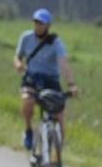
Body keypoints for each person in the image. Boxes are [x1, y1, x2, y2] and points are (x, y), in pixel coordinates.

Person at [14, 8, 79, 151]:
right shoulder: (26, 37)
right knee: (27, 100)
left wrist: (71, 84)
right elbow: (17, 56)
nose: (38, 26)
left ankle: (57, 157)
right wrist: (18, 64)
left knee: (59, 116)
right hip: (32, 78)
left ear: (48, 26)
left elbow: (63, 63)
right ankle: (28, 131)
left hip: (51, 80)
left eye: (41, 23)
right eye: (36, 22)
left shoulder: (55, 42)